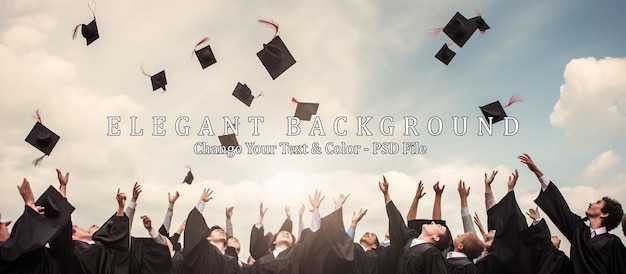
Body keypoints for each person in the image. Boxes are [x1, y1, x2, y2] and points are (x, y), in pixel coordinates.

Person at [520, 153, 626, 274]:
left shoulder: (613, 243)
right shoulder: (579, 231)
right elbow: (561, 207)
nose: (591, 203)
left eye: (598, 202)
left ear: (604, 214)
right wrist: (536, 171)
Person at [0, 176, 73, 273]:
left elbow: (62, 246)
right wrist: (30, 204)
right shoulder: (5, 255)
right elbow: (22, 246)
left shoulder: (44, 257)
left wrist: (62, 192)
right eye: (1, 224)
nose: (7, 225)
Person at [381, 176, 450, 274]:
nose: (433, 222)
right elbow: (397, 223)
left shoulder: (432, 255)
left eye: (439, 226)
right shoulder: (410, 240)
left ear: (436, 237)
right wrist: (386, 195)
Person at [182, 188, 239, 274]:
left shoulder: (232, 261)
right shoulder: (203, 252)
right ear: (208, 237)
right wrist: (201, 202)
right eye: (217, 230)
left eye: (222, 231)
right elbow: (194, 226)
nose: (221, 231)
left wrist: (228, 220)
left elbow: (230, 239)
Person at [519, 207, 572, 274]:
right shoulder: (536, 253)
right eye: (552, 237)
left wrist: (537, 220)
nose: (553, 236)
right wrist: (537, 219)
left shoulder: (562, 259)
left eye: (556, 238)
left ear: (558, 246)